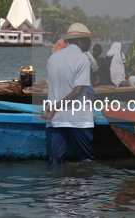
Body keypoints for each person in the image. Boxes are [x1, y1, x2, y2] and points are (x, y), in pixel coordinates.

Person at [41, 23, 98, 166]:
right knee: (86, 162)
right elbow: (78, 90)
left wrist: (54, 107)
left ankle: (56, 187)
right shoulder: (82, 58)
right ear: (78, 40)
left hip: (57, 118)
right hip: (77, 118)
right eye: (87, 39)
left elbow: (51, 84)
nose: (90, 43)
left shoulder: (53, 57)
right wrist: (55, 107)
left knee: (55, 162)